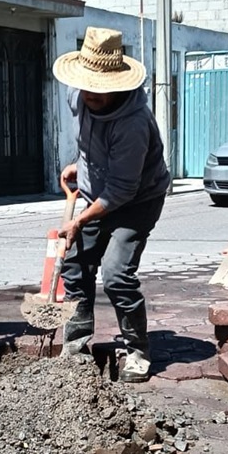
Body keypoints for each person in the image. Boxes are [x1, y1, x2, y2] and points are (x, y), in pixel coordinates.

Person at [53, 26, 171, 382]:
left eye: (100, 88)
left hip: (138, 199)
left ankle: (137, 349)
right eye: (87, 84)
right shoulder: (79, 96)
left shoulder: (133, 123)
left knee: (117, 273)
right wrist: (80, 163)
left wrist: (78, 220)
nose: (91, 93)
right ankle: (76, 341)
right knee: (74, 261)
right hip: (96, 191)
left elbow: (121, 189)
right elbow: (91, 143)